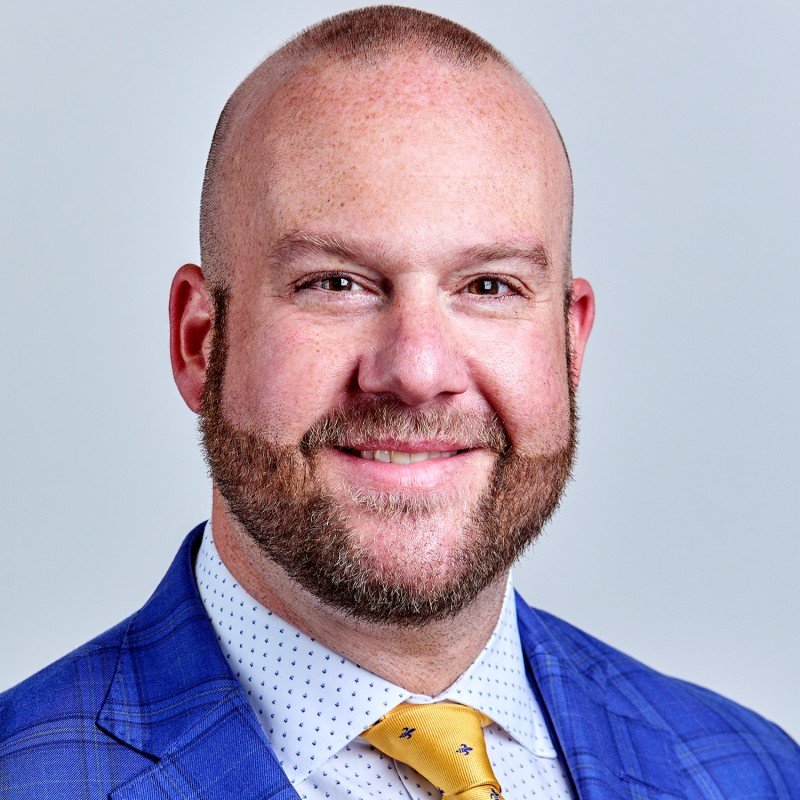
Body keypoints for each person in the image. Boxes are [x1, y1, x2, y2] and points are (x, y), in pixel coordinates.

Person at [1, 6, 797, 799]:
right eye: (335, 283)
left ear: (570, 342)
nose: (416, 372)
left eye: (489, 286)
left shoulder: (755, 771)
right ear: (199, 342)